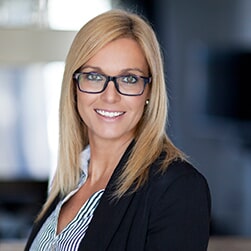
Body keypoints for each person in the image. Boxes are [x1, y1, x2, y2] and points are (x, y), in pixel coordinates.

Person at [25, 9, 211, 251]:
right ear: (74, 86)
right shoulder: (69, 183)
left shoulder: (179, 188)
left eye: (129, 79)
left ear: (149, 91)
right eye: (94, 76)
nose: (110, 96)